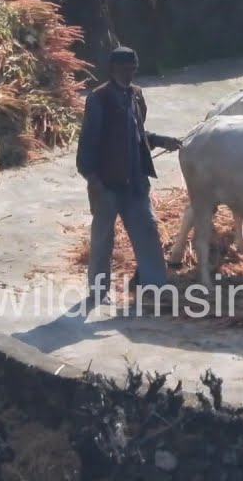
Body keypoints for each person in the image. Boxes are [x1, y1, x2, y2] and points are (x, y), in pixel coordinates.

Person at [76, 46, 182, 306]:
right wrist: (92, 179)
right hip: (107, 183)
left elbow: (137, 135)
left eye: (133, 69)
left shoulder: (136, 95)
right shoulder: (99, 99)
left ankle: (155, 287)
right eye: (125, 69)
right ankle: (99, 291)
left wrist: (159, 140)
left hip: (135, 181)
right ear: (113, 69)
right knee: (103, 238)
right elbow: (88, 142)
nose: (130, 74)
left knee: (147, 231)